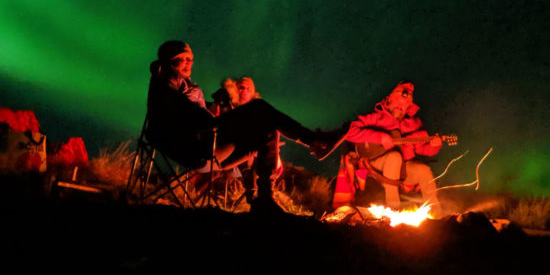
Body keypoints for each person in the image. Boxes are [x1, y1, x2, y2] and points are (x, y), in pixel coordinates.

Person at [145, 40, 340, 214]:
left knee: (268, 127)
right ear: (169, 60)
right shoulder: (166, 80)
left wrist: (216, 116)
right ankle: (313, 139)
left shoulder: (179, 82)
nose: (189, 62)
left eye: (191, 58)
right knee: (259, 107)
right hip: (198, 147)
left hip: (210, 144)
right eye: (183, 58)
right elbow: (181, 110)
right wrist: (219, 119)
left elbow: (191, 110)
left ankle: (264, 199)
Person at [343, 82, 443, 212]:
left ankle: (435, 213)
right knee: (394, 157)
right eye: (397, 103)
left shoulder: (413, 124)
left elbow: (423, 149)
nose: (400, 107)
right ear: (388, 100)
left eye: (404, 106)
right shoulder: (376, 118)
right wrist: (379, 137)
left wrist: (434, 145)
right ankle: (393, 210)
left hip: (401, 168)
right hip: (375, 164)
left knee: (423, 171)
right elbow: (350, 132)